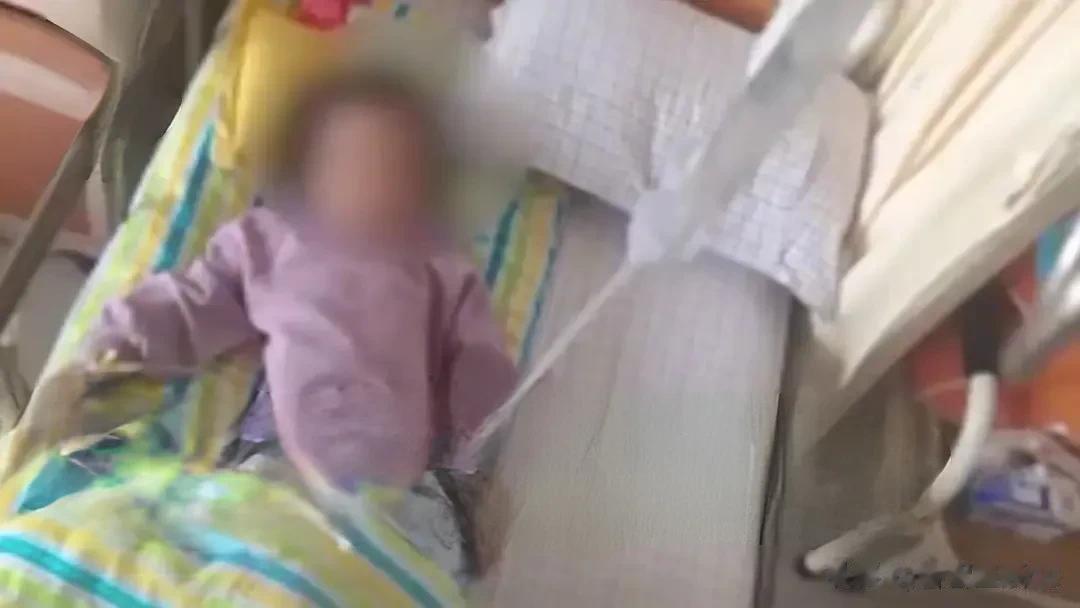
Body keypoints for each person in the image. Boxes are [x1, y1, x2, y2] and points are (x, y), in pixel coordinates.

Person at [82, 68, 518, 492]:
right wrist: (126, 337)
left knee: (428, 527)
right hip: (281, 451)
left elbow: (477, 352)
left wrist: (472, 439)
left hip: (399, 472)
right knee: (231, 506)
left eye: (395, 164)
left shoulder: (435, 259)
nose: (372, 178)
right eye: (351, 160)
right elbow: (199, 298)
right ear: (308, 169)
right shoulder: (269, 240)